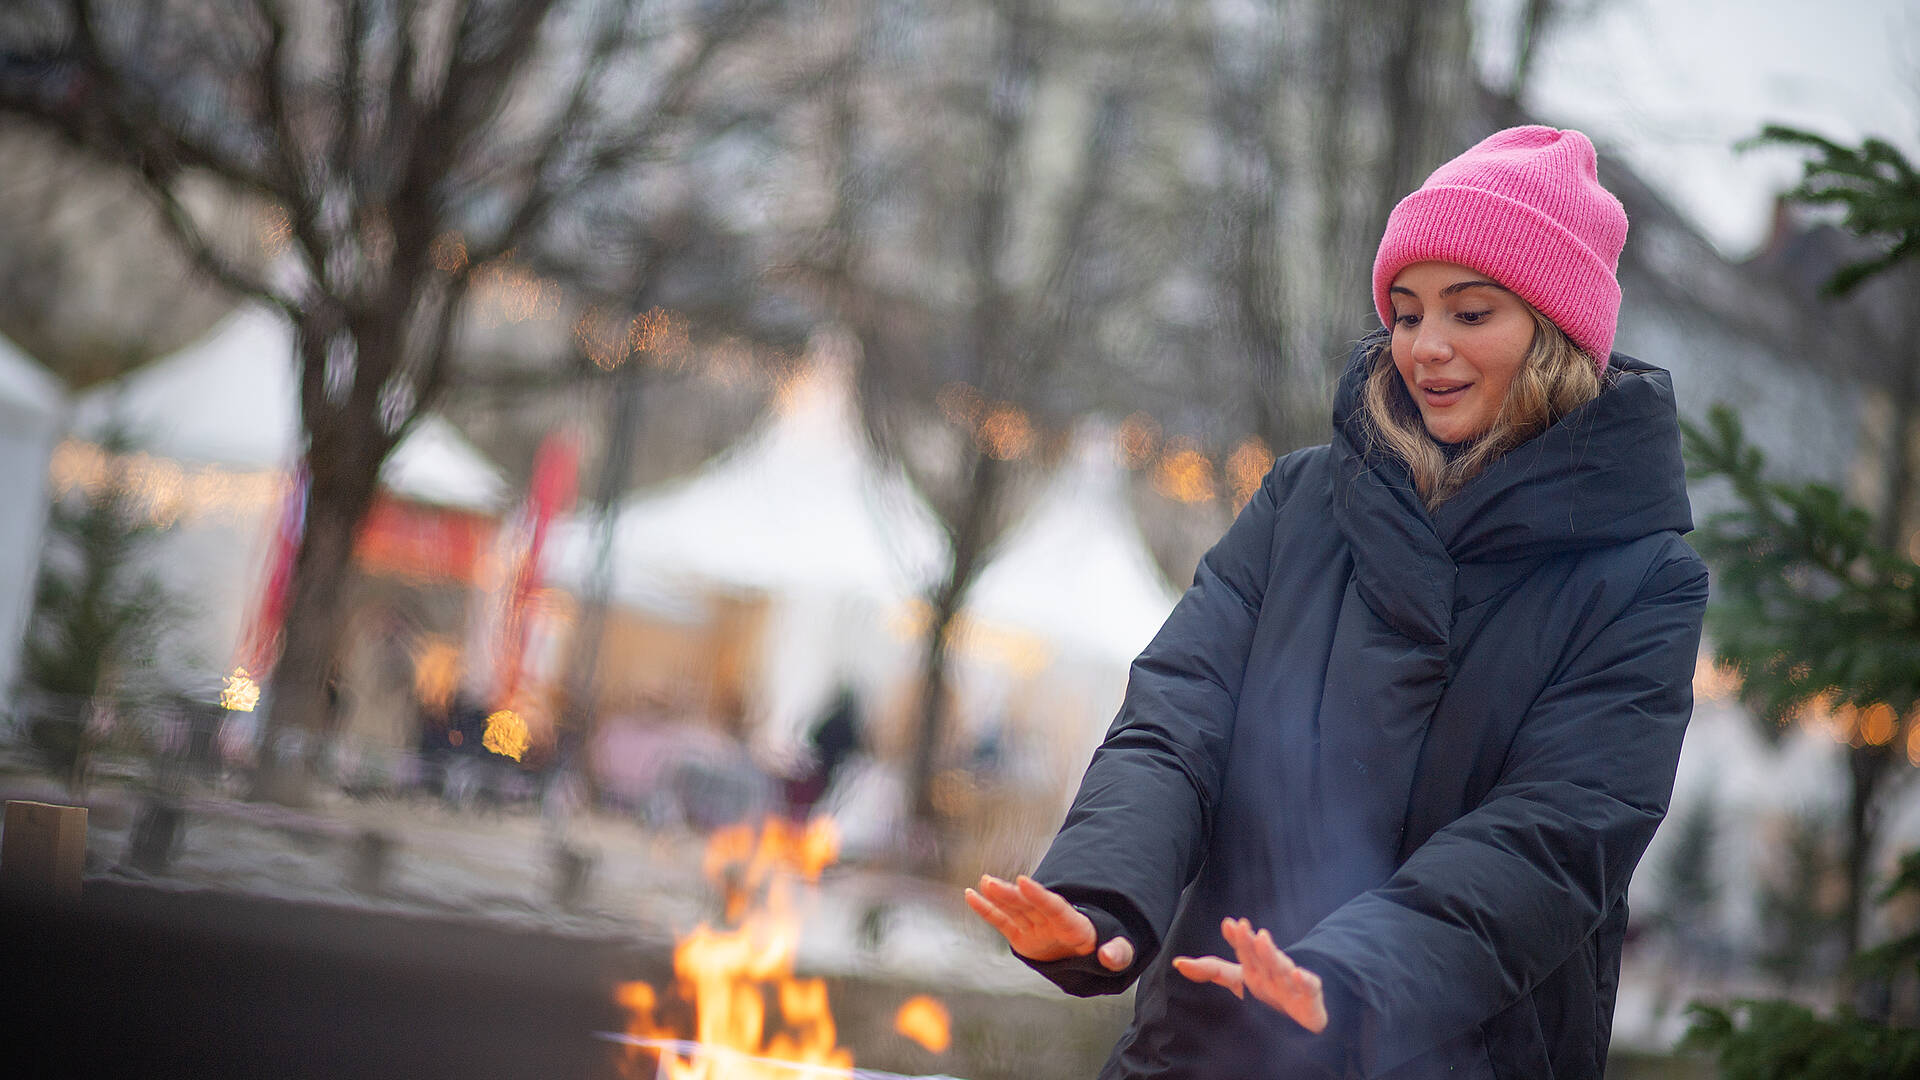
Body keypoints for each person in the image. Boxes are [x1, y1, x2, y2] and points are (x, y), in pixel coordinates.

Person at [964, 126, 1708, 1079]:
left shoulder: (1641, 581)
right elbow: (1175, 720)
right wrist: (1101, 892)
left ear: (1556, 332)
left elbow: (1555, 840)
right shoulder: (1301, 503)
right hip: (1206, 1047)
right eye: (1405, 313)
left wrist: (1350, 977)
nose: (1426, 347)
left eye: (1471, 312)